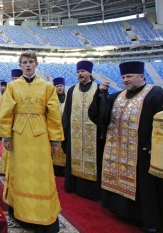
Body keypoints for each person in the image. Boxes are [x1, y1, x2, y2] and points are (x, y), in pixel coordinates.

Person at [89, 61, 163, 232]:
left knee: (146, 187)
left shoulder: (156, 94)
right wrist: (100, 96)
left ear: (142, 76)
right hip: (118, 150)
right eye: (123, 77)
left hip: (143, 151)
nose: (125, 80)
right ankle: (122, 211)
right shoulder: (117, 96)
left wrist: (152, 143)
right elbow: (99, 117)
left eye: (129, 76)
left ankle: (149, 220)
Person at [0, 50, 63, 232]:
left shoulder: (47, 87)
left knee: (42, 173)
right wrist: (6, 136)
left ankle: (44, 214)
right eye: (24, 62)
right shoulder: (12, 86)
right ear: (20, 65)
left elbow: (54, 115)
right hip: (19, 136)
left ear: (36, 64)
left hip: (40, 136)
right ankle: (20, 211)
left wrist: (55, 140)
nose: (28, 65)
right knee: (20, 172)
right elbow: (5, 112)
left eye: (31, 62)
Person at [62, 60, 108, 201]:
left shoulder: (98, 88)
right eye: (78, 72)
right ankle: (74, 186)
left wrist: (101, 131)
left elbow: (104, 110)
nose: (80, 74)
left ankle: (93, 192)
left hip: (93, 134)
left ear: (90, 73)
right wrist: (65, 130)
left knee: (94, 161)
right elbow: (67, 112)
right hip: (74, 133)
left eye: (83, 71)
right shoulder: (72, 90)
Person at [0, 69, 22, 176]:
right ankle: (5, 169)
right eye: (13, 79)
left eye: (16, 79)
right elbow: (2, 108)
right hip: (8, 123)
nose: (14, 81)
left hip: (19, 124)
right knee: (7, 147)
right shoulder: (8, 91)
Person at [52, 77, 66, 177]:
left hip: (65, 128)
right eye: (57, 86)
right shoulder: (52, 99)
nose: (59, 88)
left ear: (64, 87)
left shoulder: (68, 98)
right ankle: (55, 169)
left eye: (61, 86)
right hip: (55, 127)